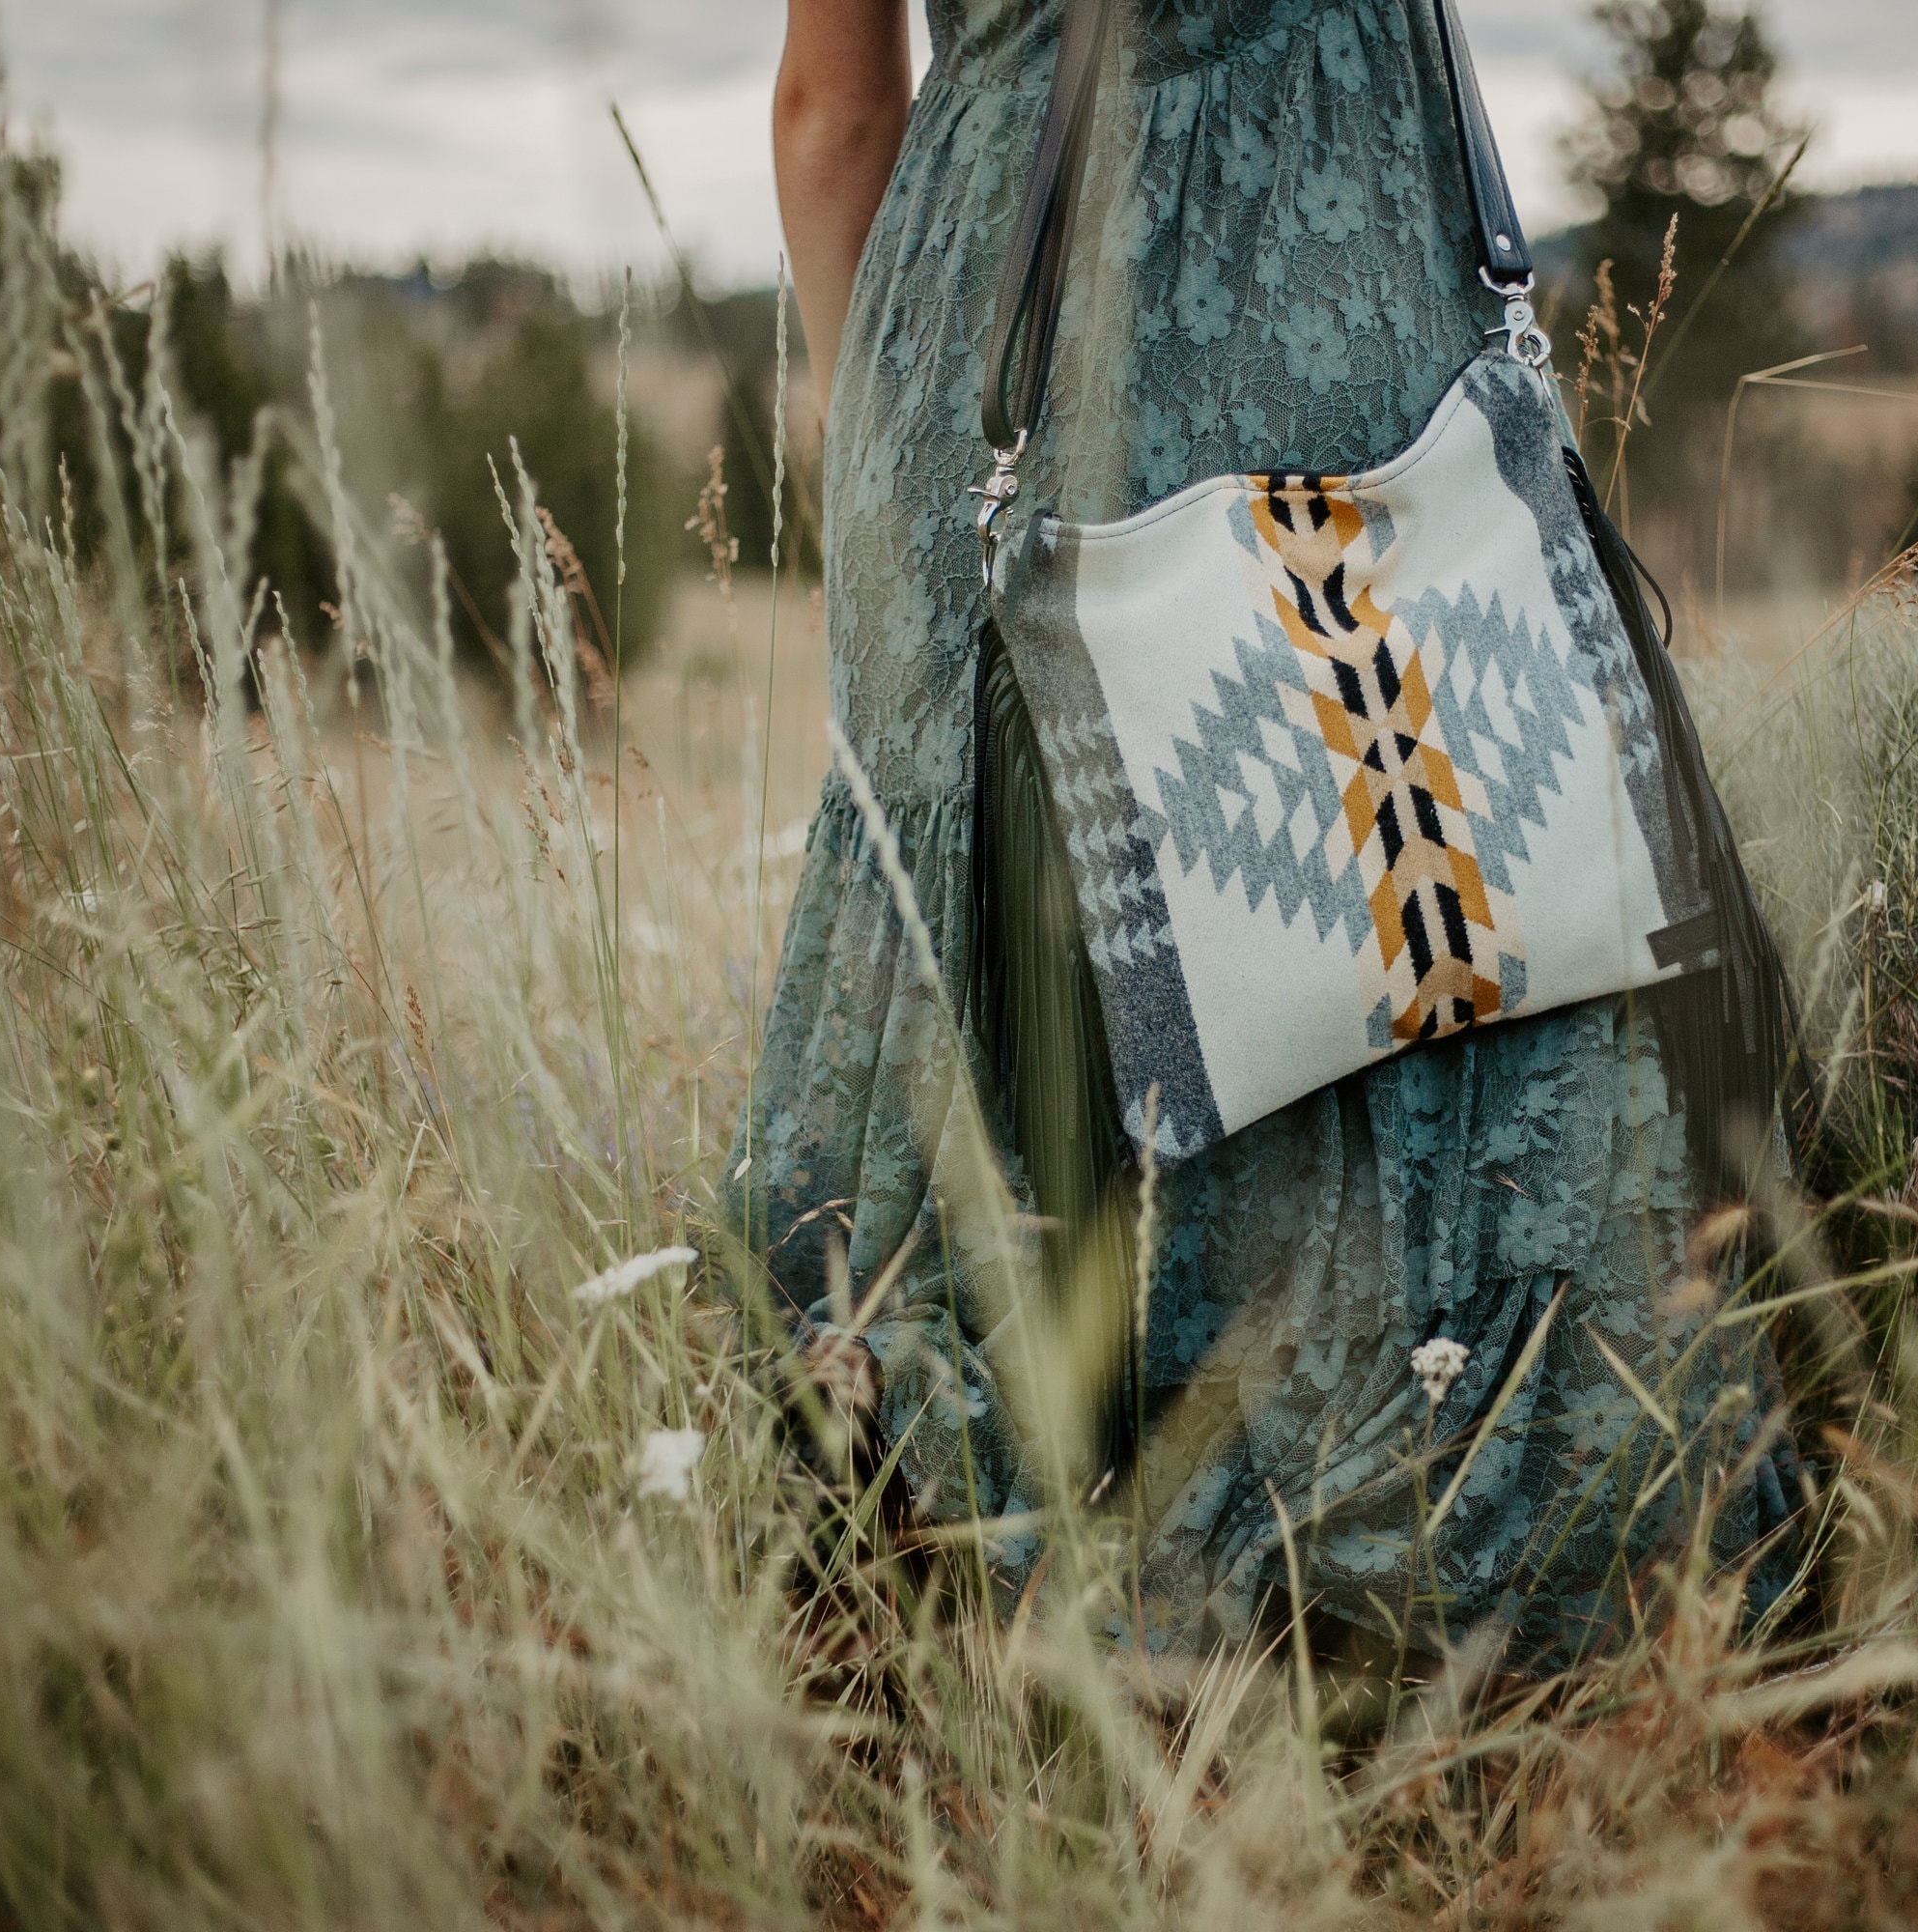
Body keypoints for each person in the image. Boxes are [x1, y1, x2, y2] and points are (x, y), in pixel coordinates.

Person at [752, 0, 1798, 1669]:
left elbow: (832, 110)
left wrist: (886, 450)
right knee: (1419, 866)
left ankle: (984, 1565)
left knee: (1009, 905)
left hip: (1008, 312)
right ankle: (1478, 1532)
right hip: (1360, 276)